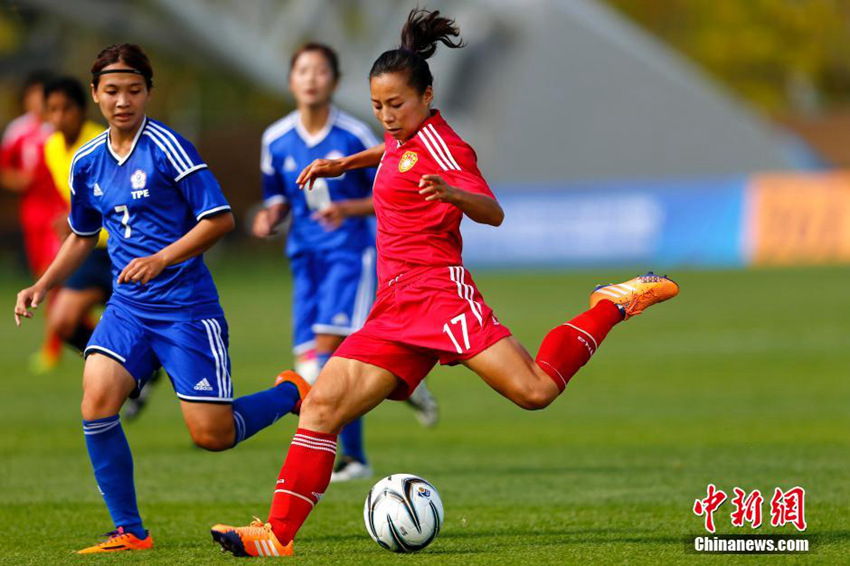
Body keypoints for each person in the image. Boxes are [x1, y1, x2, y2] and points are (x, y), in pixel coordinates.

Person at [211, 8, 678, 558]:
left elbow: (493, 210)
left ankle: (609, 304)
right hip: (394, 308)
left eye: (396, 105)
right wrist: (345, 164)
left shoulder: (448, 148)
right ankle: (276, 535)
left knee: (535, 391)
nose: (386, 116)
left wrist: (456, 195)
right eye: (379, 105)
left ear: (427, 97)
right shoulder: (406, 138)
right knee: (320, 409)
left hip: (439, 296)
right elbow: (396, 152)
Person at [13, 44, 310, 554]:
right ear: (95, 95)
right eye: (111, 91)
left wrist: (162, 258)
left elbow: (219, 219)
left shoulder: (170, 147)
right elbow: (82, 234)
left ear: (148, 91)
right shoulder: (86, 162)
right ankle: (130, 530)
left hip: (185, 310)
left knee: (211, 435)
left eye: (133, 90)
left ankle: (291, 394)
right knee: (96, 403)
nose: (122, 100)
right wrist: (43, 283)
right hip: (128, 309)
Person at [254, 43, 438, 483]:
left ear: (334, 82)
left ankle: (353, 459)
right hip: (305, 260)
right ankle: (403, 384)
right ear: (291, 80)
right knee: (310, 366)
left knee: (330, 353)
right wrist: (270, 215)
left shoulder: (354, 135)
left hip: (351, 256)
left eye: (321, 70)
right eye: (303, 70)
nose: (311, 78)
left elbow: (391, 191)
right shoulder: (275, 139)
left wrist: (347, 211)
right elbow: (276, 197)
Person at [42, 76, 164, 419]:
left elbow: (121, 195)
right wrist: (70, 219)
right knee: (63, 323)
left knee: (153, 322)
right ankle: (137, 368)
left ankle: (142, 366)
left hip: (125, 248)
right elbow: (82, 200)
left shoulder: (102, 141)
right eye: (51, 110)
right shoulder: (52, 147)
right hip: (89, 249)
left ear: (83, 109)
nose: (58, 117)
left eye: (65, 109)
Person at [1, 71, 67, 372]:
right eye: (37, 95)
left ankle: (54, 346)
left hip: (59, 214)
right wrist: (20, 180)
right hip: (32, 215)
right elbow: (6, 171)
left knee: (52, 279)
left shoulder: (58, 130)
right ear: (27, 97)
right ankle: (81, 331)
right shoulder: (17, 131)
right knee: (47, 279)